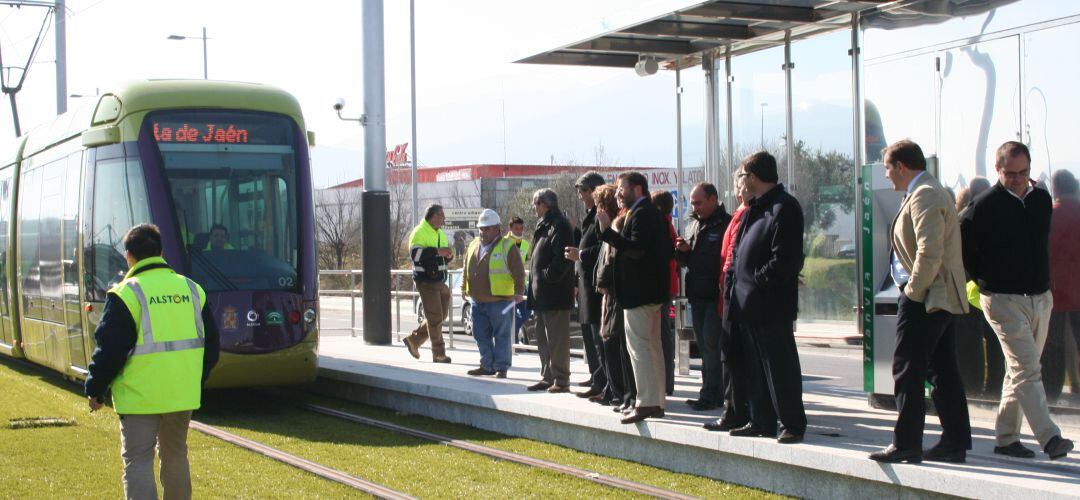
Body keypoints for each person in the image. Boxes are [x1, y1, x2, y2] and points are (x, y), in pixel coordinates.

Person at [84, 223, 220, 500]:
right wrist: (193, 379)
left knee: (138, 460)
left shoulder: (125, 294)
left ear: (129, 256)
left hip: (139, 397)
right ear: (161, 251)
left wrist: (95, 389)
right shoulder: (193, 290)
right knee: (176, 456)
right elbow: (213, 348)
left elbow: (109, 350)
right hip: (182, 395)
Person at [960, 141, 1073, 460]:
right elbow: (963, 247)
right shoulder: (982, 206)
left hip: (1040, 298)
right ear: (998, 170)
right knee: (1027, 369)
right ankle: (1049, 437)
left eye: (1023, 172)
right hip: (1002, 299)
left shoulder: (1040, 199)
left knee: (1019, 370)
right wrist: (983, 280)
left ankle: (1007, 438)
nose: (1018, 178)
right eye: (1011, 173)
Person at [869, 140, 971, 463]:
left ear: (901, 166)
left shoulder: (924, 193)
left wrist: (912, 292)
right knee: (942, 370)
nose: (887, 177)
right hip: (934, 296)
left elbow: (929, 251)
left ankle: (907, 443)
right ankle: (954, 441)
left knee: (907, 368)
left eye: (888, 169)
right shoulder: (924, 191)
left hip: (926, 297)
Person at [724, 151, 807, 445]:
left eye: (742, 176)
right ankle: (761, 419)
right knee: (755, 367)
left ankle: (791, 423)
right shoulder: (754, 209)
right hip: (746, 305)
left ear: (754, 178)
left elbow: (784, 260)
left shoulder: (784, 208)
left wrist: (756, 285)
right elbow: (737, 254)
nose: (740, 182)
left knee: (779, 365)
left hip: (770, 305)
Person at [596, 171, 672, 424]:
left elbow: (636, 250)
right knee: (651, 348)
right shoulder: (648, 213)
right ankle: (654, 402)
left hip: (641, 294)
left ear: (637, 190)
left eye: (621, 189)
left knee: (640, 348)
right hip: (648, 293)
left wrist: (608, 232)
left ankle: (647, 403)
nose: (617, 194)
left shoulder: (642, 214)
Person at [675, 182, 731, 412]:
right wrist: (682, 251)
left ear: (713, 199)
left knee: (712, 346)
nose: (694, 207)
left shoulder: (725, 224)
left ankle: (714, 394)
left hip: (713, 297)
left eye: (698, 202)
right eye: (692, 203)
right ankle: (707, 391)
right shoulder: (694, 224)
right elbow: (689, 260)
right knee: (705, 345)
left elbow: (720, 260)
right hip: (696, 295)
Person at [705, 171, 752, 431]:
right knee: (729, 355)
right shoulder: (739, 214)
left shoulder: (746, 214)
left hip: (735, 294)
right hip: (727, 292)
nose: (737, 189)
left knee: (733, 356)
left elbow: (733, 254)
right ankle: (733, 409)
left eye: (740, 184)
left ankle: (736, 411)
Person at [953, 177, 1005, 398]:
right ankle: (995, 387)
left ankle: (972, 387)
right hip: (994, 290)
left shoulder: (962, 220)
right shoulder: (1000, 218)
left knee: (970, 343)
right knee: (996, 343)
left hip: (968, 291)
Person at [462, 209, 526, 378]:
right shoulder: (474, 244)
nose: (483, 232)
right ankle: (486, 364)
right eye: (481, 228)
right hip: (477, 299)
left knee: (502, 335)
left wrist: (519, 291)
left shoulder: (507, 246)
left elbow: (519, 271)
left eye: (487, 228)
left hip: (501, 300)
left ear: (497, 228)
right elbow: (466, 268)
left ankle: (501, 367)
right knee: (479, 333)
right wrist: (464, 288)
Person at [564, 172, 608, 399]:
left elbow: (602, 249)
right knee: (590, 337)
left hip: (596, 286)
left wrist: (580, 254)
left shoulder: (602, 215)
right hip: (585, 286)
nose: (580, 197)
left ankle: (604, 382)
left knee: (600, 338)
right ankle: (597, 377)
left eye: (582, 192)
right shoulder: (591, 215)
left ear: (593, 191)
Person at [526, 188, 576, 393]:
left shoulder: (560, 225)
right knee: (543, 336)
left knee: (557, 339)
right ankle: (548, 375)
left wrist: (547, 278)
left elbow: (562, 259)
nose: (533, 207)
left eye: (535, 203)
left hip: (554, 293)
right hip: (541, 294)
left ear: (544, 204)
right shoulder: (544, 224)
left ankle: (561, 379)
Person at [594, 185, 633, 408]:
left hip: (613, 293)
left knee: (613, 343)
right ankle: (615, 391)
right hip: (610, 292)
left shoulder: (617, 224)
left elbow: (611, 258)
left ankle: (620, 392)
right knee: (609, 343)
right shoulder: (613, 224)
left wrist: (602, 282)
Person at [1044, 169, 1080, 401]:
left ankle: (1051, 395)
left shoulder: (1048, 216)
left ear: (1054, 189)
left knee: (1053, 349)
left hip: (1054, 293)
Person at [403, 204, 454, 363]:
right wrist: (439, 252)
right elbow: (416, 255)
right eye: (442, 216)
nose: (444, 219)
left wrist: (447, 257)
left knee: (440, 315)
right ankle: (438, 353)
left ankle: (414, 340)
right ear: (433, 216)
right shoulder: (419, 232)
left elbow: (439, 256)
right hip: (425, 280)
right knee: (435, 318)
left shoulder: (439, 233)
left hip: (439, 280)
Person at [651, 189, 679, 396]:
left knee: (661, 336)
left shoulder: (661, 225)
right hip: (666, 286)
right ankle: (666, 382)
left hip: (662, 287)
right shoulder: (666, 225)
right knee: (662, 336)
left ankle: (666, 382)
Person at [505, 216, 532, 343]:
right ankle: (512, 340)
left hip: (522, 284)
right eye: (516, 228)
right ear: (510, 229)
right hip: (507, 285)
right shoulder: (503, 242)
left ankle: (513, 333)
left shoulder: (526, 244)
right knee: (510, 314)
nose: (519, 231)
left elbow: (525, 261)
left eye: (521, 228)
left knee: (526, 312)